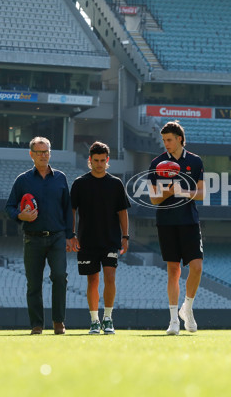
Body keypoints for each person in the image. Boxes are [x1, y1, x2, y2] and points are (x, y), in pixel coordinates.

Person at [5, 137, 73, 335]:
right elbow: (9, 206)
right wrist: (20, 215)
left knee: (60, 277)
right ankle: (36, 325)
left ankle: (59, 322)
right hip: (32, 238)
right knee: (34, 283)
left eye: (46, 152)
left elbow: (68, 209)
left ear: (50, 153)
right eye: (39, 152)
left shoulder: (60, 178)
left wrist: (70, 235)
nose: (43, 155)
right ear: (31, 155)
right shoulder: (23, 180)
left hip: (57, 237)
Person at [148, 121, 205, 335]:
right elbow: (154, 199)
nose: (166, 144)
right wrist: (169, 192)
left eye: (169, 140)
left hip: (189, 220)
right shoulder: (157, 163)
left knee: (197, 267)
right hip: (166, 222)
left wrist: (183, 192)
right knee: (173, 270)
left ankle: (187, 308)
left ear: (180, 138)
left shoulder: (195, 161)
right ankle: (173, 321)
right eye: (163, 140)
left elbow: (201, 193)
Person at [70, 142, 130, 335]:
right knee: (92, 280)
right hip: (87, 239)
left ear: (107, 160)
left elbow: (123, 212)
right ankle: (94, 320)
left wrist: (125, 236)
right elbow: (72, 211)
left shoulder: (115, 183)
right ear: (90, 160)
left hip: (111, 239)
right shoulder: (80, 183)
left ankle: (108, 318)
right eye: (95, 160)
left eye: (102, 160)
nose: (99, 164)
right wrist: (71, 234)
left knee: (110, 276)